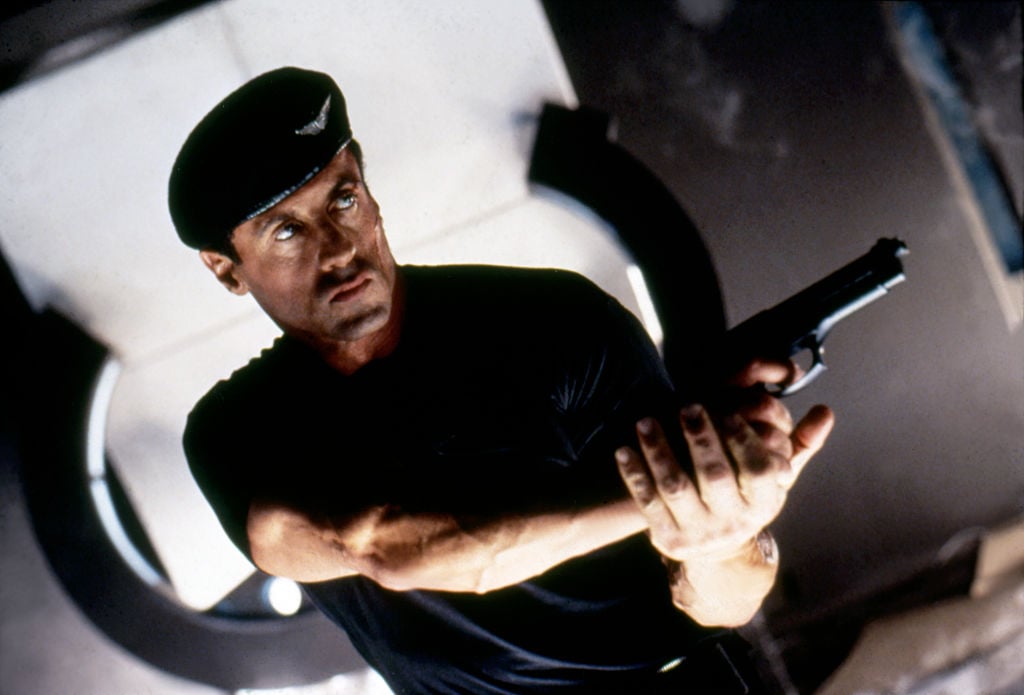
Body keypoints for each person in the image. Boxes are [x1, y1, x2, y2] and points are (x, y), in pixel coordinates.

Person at [168, 67, 834, 694]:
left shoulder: (558, 322)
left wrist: (725, 532)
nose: (339, 248)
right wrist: (664, 499)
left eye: (345, 198)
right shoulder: (240, 430)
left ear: (370, 194)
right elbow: (388, 545)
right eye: (287, 231)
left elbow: (723, 602)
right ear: (226, 268)